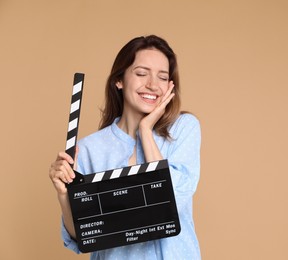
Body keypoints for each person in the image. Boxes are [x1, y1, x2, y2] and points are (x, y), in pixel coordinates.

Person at [49, 35, 201, 259]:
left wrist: (146, 131)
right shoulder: (89, 149)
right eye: (141, 73)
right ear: (119, 80)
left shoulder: (183, 129)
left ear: (170, 86)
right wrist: (63, 195)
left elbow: (173, 201)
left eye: (162, 77)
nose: (152, 84)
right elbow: (83, 238)